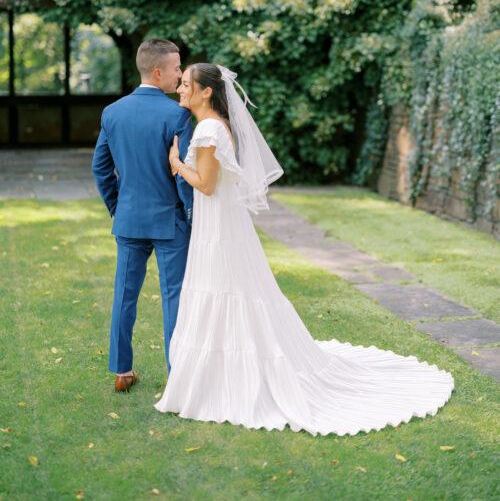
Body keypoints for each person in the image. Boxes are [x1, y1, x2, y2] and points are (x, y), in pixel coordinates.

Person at [154, 63, 454, 436]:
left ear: (206, 92)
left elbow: (208, 185)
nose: (179, 89)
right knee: (231, 290)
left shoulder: (209, 129)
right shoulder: (215, 126)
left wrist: (177, 164)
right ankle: (222, 371)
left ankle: (223, 379)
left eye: (185, 85)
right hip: (223, 225)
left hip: (218, 226)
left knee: (225, 289)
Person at [92, 39, 193, 392]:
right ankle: (177, 375)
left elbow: (100, 169)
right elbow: (181, 173)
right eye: (178, 68)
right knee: (175, 296)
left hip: (130, 219)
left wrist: (117, 209)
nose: (181, 74)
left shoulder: (112, 112)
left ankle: (122, 370)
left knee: (124, 294)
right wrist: (191, 215)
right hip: (170, 222)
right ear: (158, 71)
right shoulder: (177, 114)